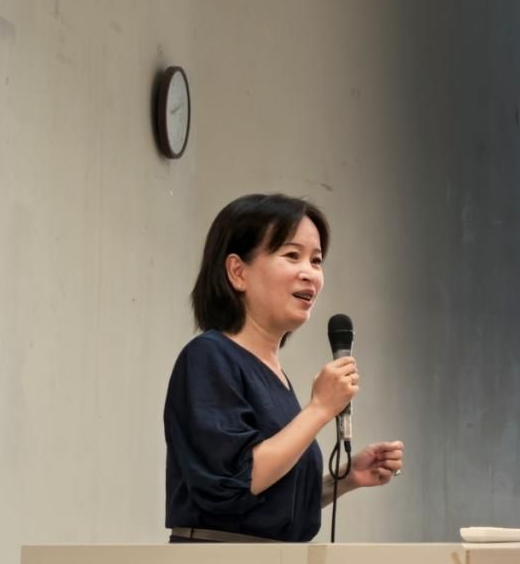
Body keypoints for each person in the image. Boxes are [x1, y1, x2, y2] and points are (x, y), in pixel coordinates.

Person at [164, 193, 403, 543]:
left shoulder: (272, 373)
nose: (310, 273)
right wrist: (320, 408)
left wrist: (344, 480)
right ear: (238, 272)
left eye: (316, 260)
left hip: (272, 563)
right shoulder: (209, 357)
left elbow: (264, 503)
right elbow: (234, 484)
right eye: (292, 255)